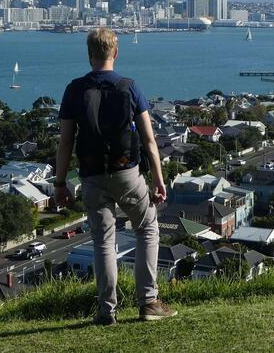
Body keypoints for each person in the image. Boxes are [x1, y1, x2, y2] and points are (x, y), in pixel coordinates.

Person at [55, 27, 177, 325]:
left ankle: (106, 310)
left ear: (89, 55)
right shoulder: (130, 87)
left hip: (92, 175)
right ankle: (148, 301)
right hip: (128, 173)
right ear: (116, 52)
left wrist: (60, 183)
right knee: (147, 227)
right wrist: (158, 179)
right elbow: (149, 141)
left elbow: (66, 142)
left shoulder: (75, 89)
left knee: (103, 241)